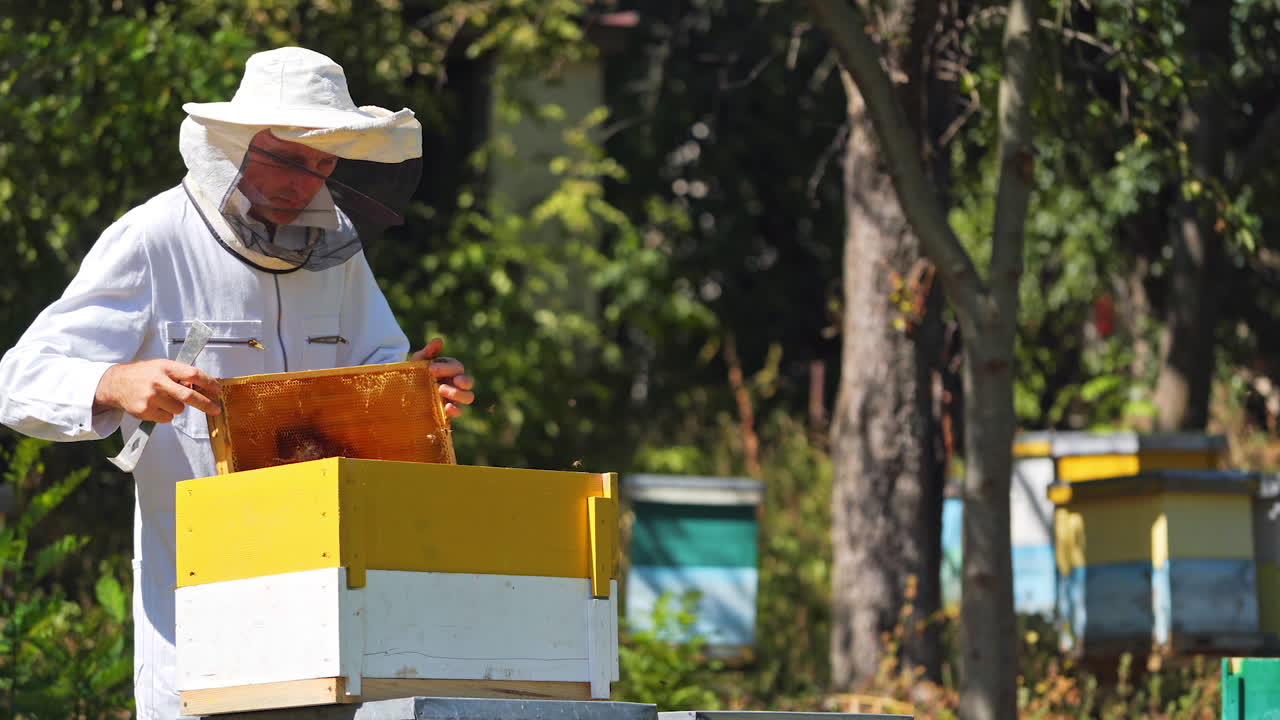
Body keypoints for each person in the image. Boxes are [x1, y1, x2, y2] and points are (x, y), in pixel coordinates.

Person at [0, 47, 474, 720]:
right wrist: (114, 381)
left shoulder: (334, 249)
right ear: (233, 142)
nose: (301, 181)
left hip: (332, 598)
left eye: (322, 164)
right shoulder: (155, 236)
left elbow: (379, 371)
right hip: (199, 602)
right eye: (283, 157)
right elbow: (19, 379)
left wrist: (423, 392)